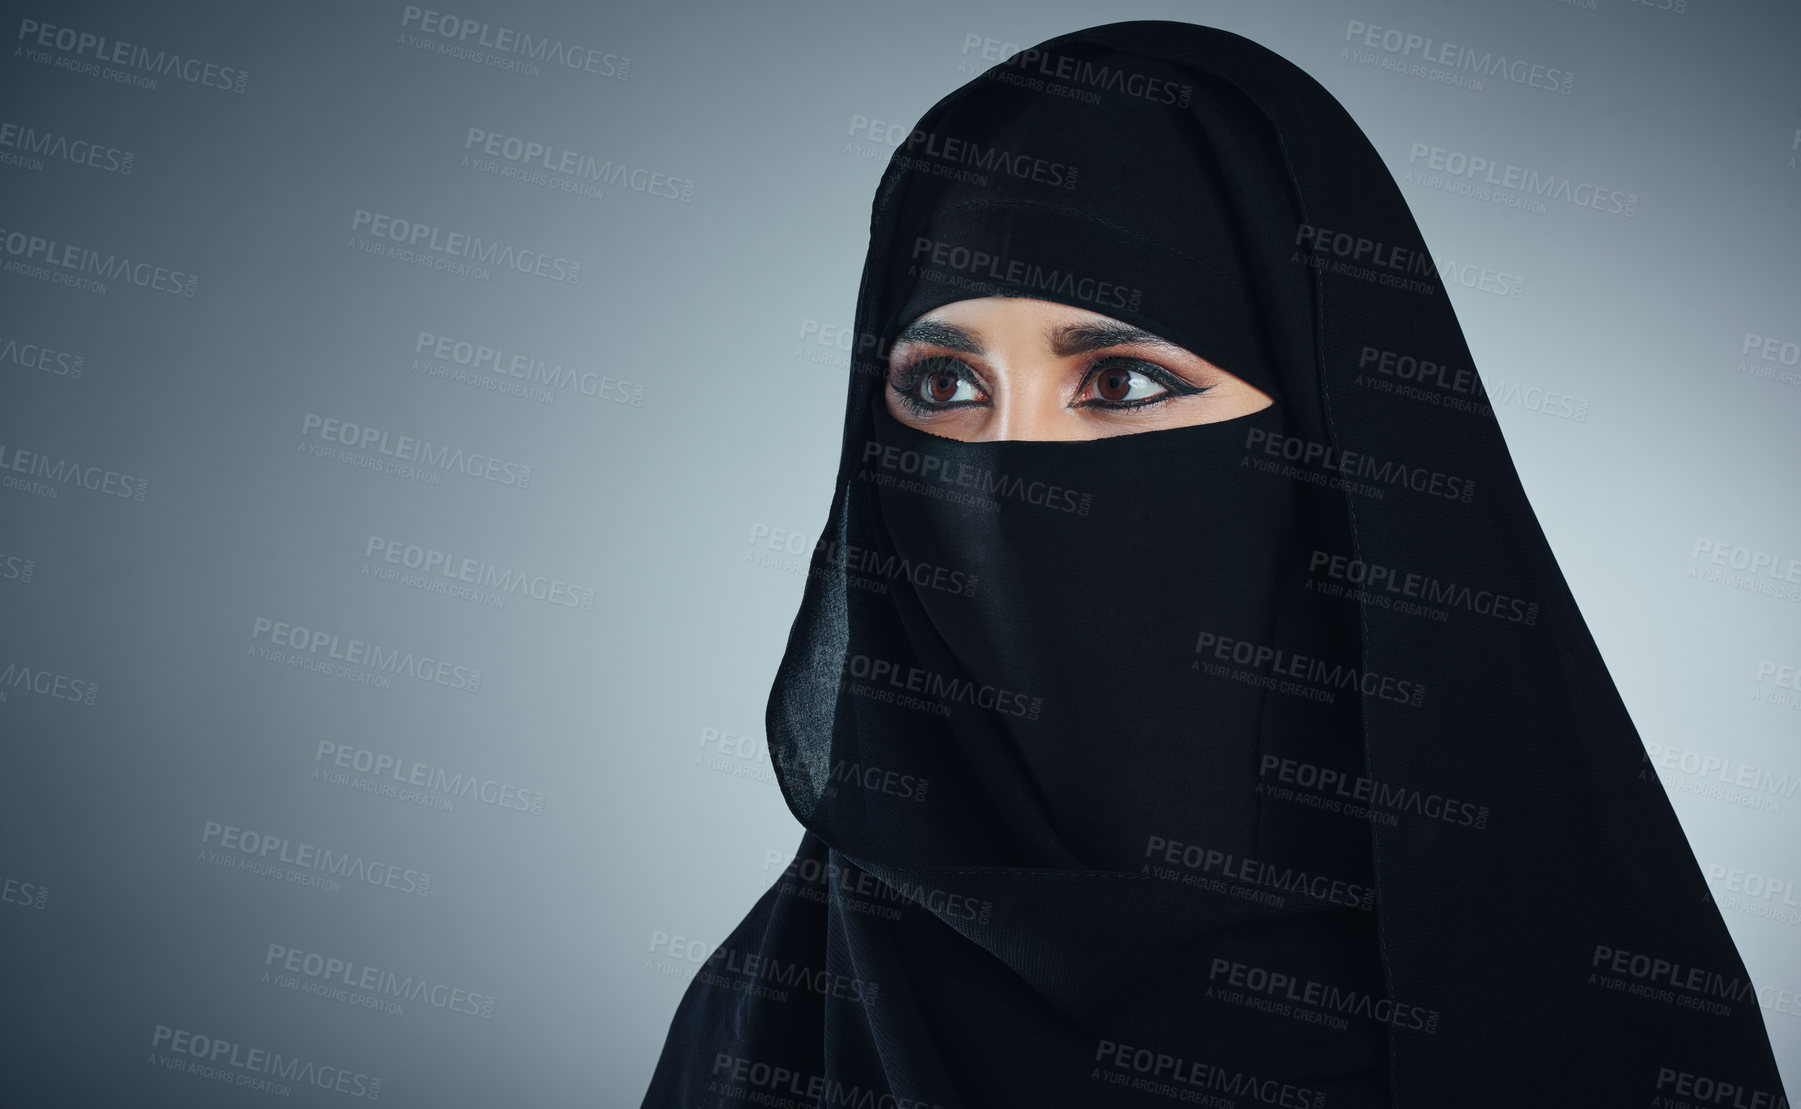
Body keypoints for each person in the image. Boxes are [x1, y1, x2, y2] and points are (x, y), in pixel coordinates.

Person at [642, 21, 1789, 1107]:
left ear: (1328, 447)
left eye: (1120, 382)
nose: (1007, 476)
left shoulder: (1573, 985)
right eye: (944, 389)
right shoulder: (781, 1010)